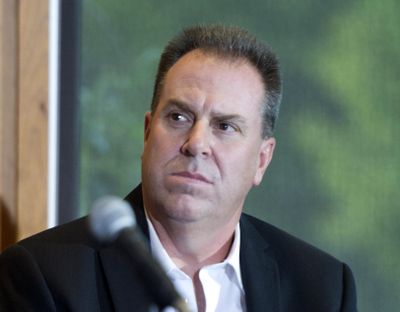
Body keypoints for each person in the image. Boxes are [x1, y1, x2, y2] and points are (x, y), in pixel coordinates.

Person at [0, 25, 357, 312]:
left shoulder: (322, 288)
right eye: (179, 117)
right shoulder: (44, 276)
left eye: (225, 126)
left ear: (261, 160)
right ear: (147, 132)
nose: (196, 143)